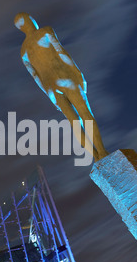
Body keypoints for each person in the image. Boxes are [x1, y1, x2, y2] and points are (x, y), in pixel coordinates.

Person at [14, 12, 108, 161]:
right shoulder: (45, 31)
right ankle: (102, 152)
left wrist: (50, 95)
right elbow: (61, 53)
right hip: (64, 76)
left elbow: (36, 78)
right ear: (29, 21)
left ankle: (95, 157)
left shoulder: (23, 52)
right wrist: (78, 73)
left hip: (50, 87)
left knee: (74, 123)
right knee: (85, 114)